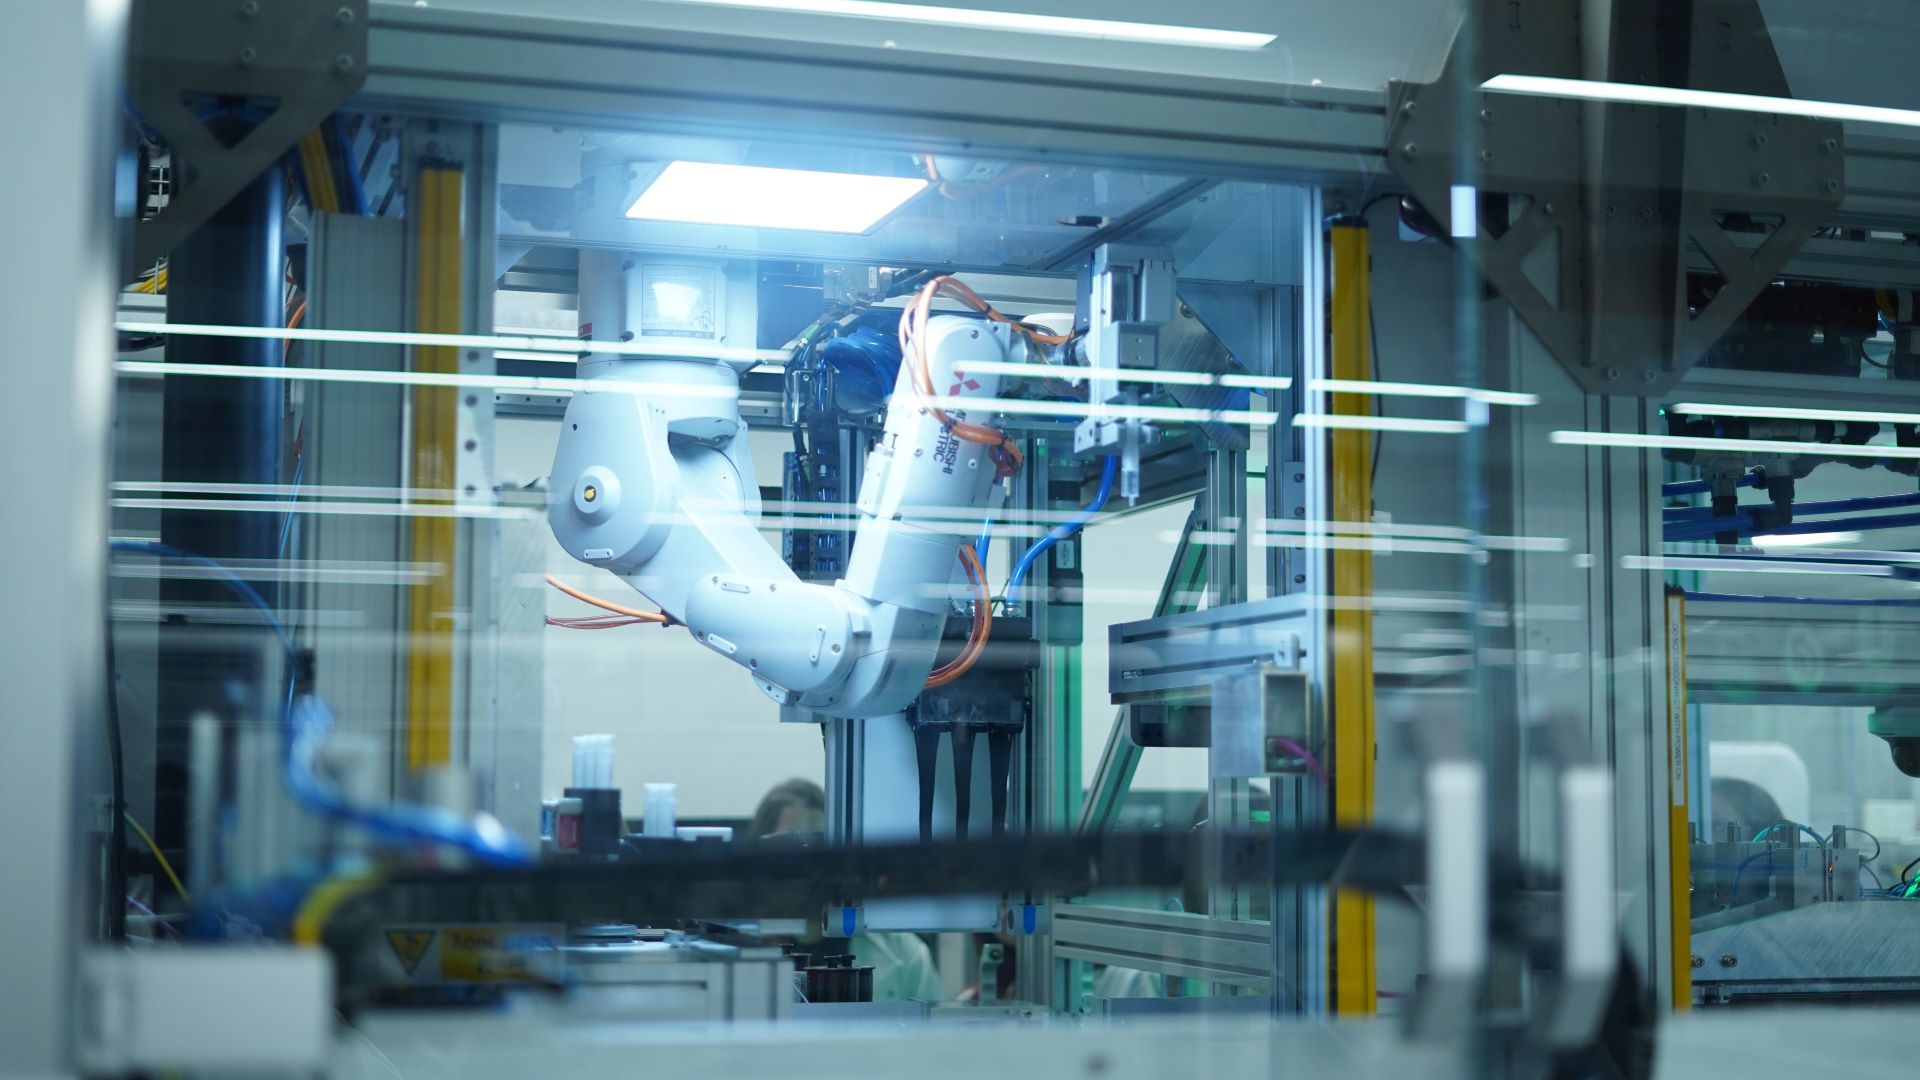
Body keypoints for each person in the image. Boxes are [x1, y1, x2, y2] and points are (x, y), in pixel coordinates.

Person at [748, 778, 945, 1003]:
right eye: (791, 847)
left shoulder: (902, 952)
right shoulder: (735, 952)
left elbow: (940, 1021)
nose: (809, 863)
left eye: (820, 847)